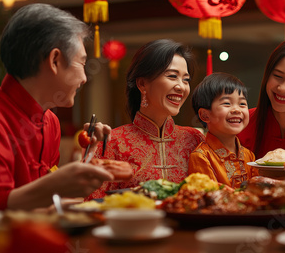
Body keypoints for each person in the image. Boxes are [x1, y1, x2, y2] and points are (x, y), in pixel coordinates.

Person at [0, 3, 132, 214]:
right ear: (55, 60)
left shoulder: (50, 121)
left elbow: (42, 205)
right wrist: (57, 184)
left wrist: (88, 160)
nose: (84, 78)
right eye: (82, 63)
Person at [87, 39, 205, 199]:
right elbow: (93, 202)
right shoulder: (112, 142)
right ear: (142, 83)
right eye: (172, 76)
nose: (181, 87)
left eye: (186, 80)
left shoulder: (195, 139)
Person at [188, 72, 258, 188]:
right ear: (205, 115)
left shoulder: (249, 155)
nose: (236, 109)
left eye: (242, 103)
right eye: (227, 103)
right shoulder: (201, 157)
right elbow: (209, 197)